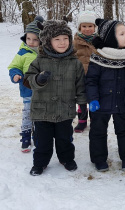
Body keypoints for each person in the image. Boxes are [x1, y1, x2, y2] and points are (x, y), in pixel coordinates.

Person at [24, 20, 87, 176]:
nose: (62, 42)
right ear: (48, 41)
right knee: (42, 141)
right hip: (42, 111)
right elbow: (28, 80)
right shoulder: (39, 60)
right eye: (57, 39)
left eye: (65, 38)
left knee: (64, 139)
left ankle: (66, 158)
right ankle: (40, 163)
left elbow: (80, 86)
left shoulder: (75, 63)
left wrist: (82, 105)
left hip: (64, 110)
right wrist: (38, 79)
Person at [86, 19, 125, 172]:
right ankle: (99, 159)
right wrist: (93, 99)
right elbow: (91, 81)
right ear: (111, 38)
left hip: (122, 101)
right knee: (98, 131)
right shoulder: (98, 57)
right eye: (122, 34)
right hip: (101, 103)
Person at [8, 16, 44, 153]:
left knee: (40, 114)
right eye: (28, 38)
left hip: (42, 91)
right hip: (27, 90)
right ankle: (25, 136)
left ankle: (39, 135)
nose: (31, 42)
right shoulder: (22, 53)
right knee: (28, 113)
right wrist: (15, 74)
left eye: (35, 39)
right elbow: (14, 66)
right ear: (25, 37)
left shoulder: (44, 53)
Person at [73, 5, 97, 133]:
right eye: (84, 26)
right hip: (80, 76)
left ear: (94, 27)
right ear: (80, 27)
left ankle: (95, 120)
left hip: (95, 76)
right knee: (81, 99)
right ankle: (82, 121)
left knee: (94, 98)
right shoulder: (75, 42)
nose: (87, 29)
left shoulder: (99, 41)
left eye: (90, 26)